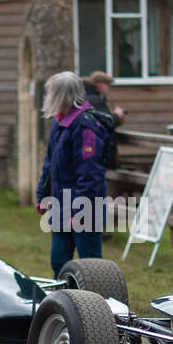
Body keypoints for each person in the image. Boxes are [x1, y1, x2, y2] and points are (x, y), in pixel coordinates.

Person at [35, 71, 111, 276]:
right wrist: (42, 195)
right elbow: (49, 163)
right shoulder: (58, 122)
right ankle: (62, 304)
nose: (47, 99)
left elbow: (90, 173)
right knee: (58, 260)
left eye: (50, 94)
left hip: (84, 205)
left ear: (63, 96)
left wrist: (80, 212)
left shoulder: (85, 125)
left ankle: (97, 304)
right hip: (61, 203)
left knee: (90, 263)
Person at [83, 70, 124, 168]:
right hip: (100, 150)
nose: (109, 87)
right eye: (108, 84)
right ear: (100, 84)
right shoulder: (94, 100)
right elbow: (105, 122)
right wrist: (117, 115)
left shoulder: (89, 97)